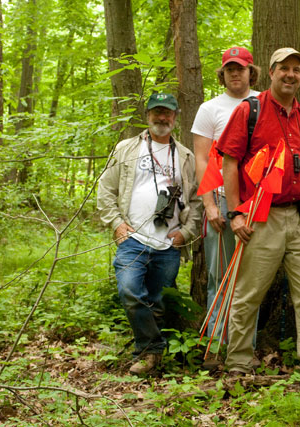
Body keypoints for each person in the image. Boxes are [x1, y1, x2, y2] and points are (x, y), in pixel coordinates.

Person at [216, 47, 300, 390]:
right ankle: (237, 362)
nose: (291, 75)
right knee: (249, 292)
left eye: (296, 69)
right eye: (284, 68)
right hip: (261, 218)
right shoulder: (249, 111)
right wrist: (236, 213)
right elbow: (229, 163)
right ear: (270, 72)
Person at [97, 93, 201, 375]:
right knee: (130, 291)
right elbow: (105, 189)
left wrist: (187, 233)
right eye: (156, 112)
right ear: (147, 115)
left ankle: (151, 358)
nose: (161, 118)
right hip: (132, 239)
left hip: (169, 243)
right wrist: (117, 223)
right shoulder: (126, 149)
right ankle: (152, 349)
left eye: (167, 113)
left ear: (175, 117)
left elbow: (196, 200)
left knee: (157, 300)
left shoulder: (185, 156)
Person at [191, 47, 260, 348]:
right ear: (222, 74)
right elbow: (202, 159)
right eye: (229, 69)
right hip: (219, 200)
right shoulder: (210, 109)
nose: (235, 73)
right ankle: (217, 344)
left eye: (240, 68)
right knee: (219, 275)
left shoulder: (262, 103)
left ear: (250, 72)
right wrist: (208, 204)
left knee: (251, 277)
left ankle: (244, 346)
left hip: (256, 204)